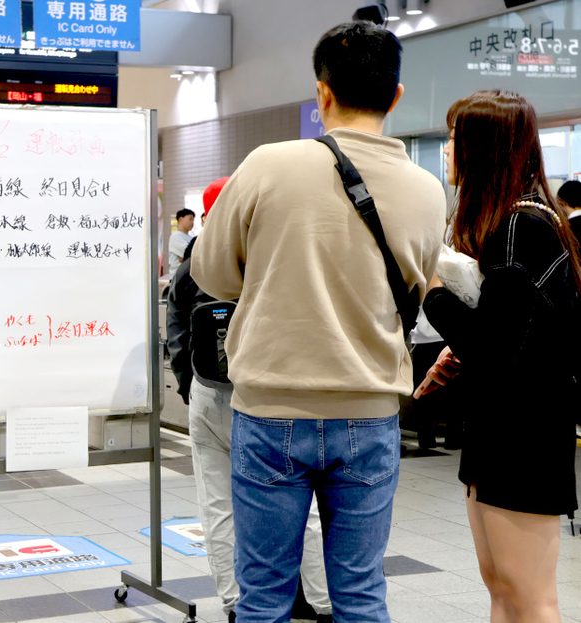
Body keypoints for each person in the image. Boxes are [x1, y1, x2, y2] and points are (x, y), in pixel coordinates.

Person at [191, 21, 446, 623]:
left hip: (271, 408)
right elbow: (416, 287)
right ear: (397, 94)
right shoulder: (428, 189)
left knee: (264, 597)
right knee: (360, 592)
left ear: (321, 93)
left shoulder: (266, 165)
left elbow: (212, 274)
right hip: (372, 410)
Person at [418, 90, 581, 622]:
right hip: (502, 427)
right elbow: (507, 333)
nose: (446, 151)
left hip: (525, 433)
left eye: (453, 138)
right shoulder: (512, 223)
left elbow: (493, 348)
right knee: (501, 585)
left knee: (529, 594)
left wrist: (432, 289)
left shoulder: (521, 226)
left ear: (484, 148)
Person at [168, 177, 332, 623]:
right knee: (303, 505)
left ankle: (237, 605)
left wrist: (189, 387)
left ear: (206, 215)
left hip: (208, 396)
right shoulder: (271, 255)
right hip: (265, 397)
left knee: (218, 507)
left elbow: (176, 331)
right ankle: (322, 602)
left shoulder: (193, 264)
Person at [168, 208, 195, 278]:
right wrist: (188, 257)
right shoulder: (176, 236)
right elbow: (190, 254)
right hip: (178, 278)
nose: (192, 222)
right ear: (180, 220)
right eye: (190, 219)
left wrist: (185, 259)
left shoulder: (190, 238)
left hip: (188, 276)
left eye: (193, 220)